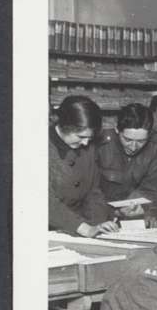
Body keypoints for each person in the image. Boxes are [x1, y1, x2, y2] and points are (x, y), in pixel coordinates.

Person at [49, 95, 117, 236]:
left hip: (80, 228)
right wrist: (84, 228)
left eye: (89, 138)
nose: (86, 143)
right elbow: (46, 201)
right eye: (81, 137)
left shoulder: (87, 146)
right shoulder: (40, 145)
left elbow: (93, 191)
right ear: (64, 125)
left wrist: (98, 225)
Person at [96, 103, 157, 224]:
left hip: (134, 214)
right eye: (127, 140)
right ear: (117, 129)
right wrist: (112, 212)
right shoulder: (100, 144)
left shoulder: (155, 146)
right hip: (100, 215)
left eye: (141, 141)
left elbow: (152, 188)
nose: (133, 147)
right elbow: (89, 191)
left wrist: (143, 208)